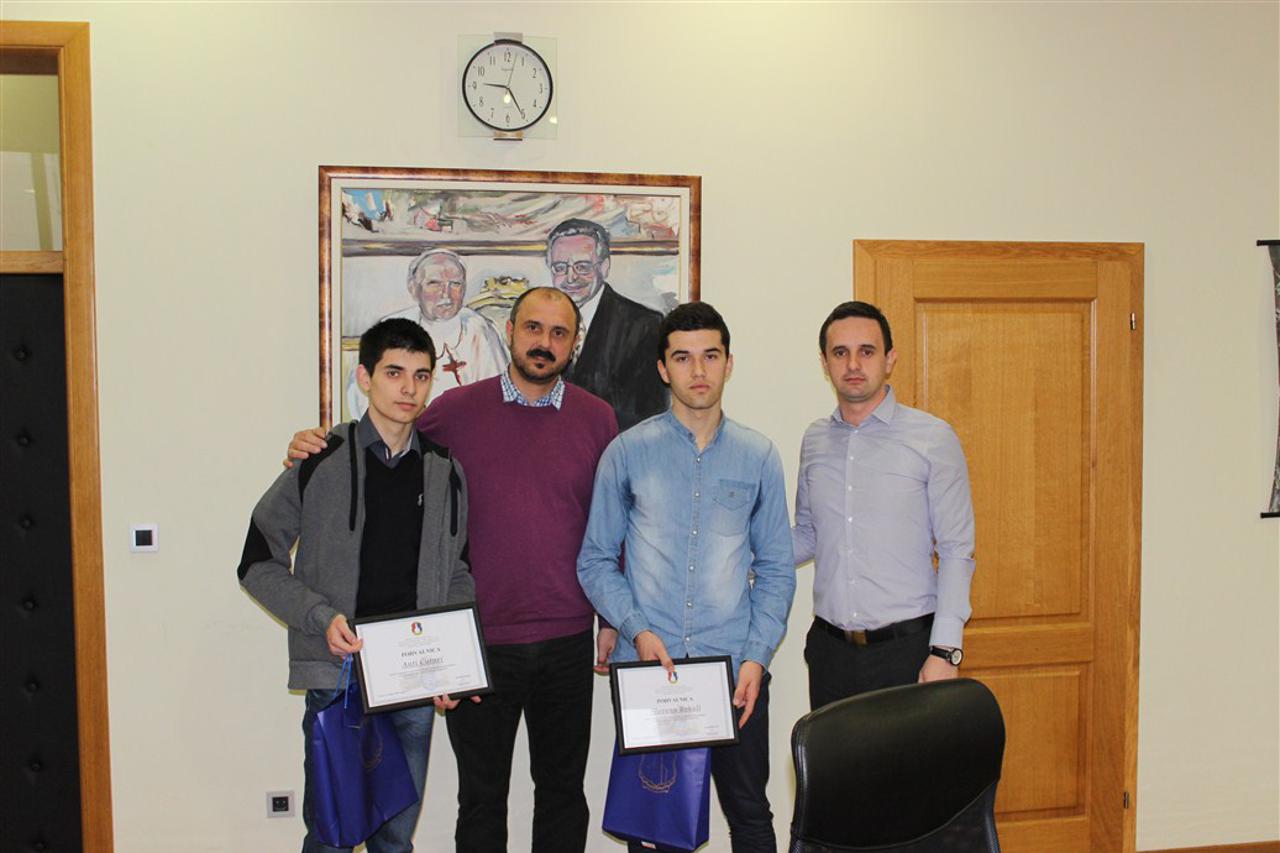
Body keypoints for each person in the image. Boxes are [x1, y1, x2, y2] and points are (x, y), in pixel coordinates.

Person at [288, 287, 618, 853]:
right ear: (509, 332)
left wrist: (609, 618)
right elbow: (389, 438)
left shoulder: (597, 418)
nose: (544, 342)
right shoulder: (456, 411)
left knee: (563, 792)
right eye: (533, 328)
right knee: (482, 797)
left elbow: (615, 521)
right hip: (480, 641)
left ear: (574, 343)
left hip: (567, 639)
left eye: (559, 332)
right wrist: (316, 442)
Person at [240, 318, 475, 852]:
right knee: (332, 834)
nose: (408, 388)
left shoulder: (444, 469)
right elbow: (256, 560)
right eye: (394, 373)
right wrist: (320, 618)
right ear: (365, 377)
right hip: (338, 671)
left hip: (413, 679)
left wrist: (451, 663)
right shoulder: (319, 457)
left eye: (420, 375)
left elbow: (459, 572)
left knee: (396, 839)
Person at [577, 301, 796, 853]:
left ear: (729, 363)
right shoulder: (627, 453)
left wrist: (757, 658)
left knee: (751, 816)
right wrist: (636, 630)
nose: (698, 371)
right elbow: (595, 560)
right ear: (662, 368)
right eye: (682, 358)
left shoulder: (759, 456)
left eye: (710, 356)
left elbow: (775, 569)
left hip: (736, 672)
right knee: (654, 827)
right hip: (652, 672)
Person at [792, 301, 976, 711]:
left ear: (890, 359)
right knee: (831, 758)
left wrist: (945, 651)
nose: (853, 364)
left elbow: (956, 551)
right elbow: (808, 534)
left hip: (907, 653)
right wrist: (737, 558)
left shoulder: (932, 438)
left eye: (867, 351)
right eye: (840, 353)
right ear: (825, 363)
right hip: (830, 654)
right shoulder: (814, 440)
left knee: (910, 758)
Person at [347, 249, 508, 417]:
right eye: (434, 283)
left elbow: (499, 395)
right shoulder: (390, 329)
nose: (446, 294)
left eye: (455, 284)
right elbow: (361, 396)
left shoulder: (481, 329)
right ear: (413, 289)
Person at [546, 217, 668, 431]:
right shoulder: (542, 323)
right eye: (560, 267)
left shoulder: (644, 326)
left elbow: (648, 420)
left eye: (582, 267)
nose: (570, 278)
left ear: (605, 267)